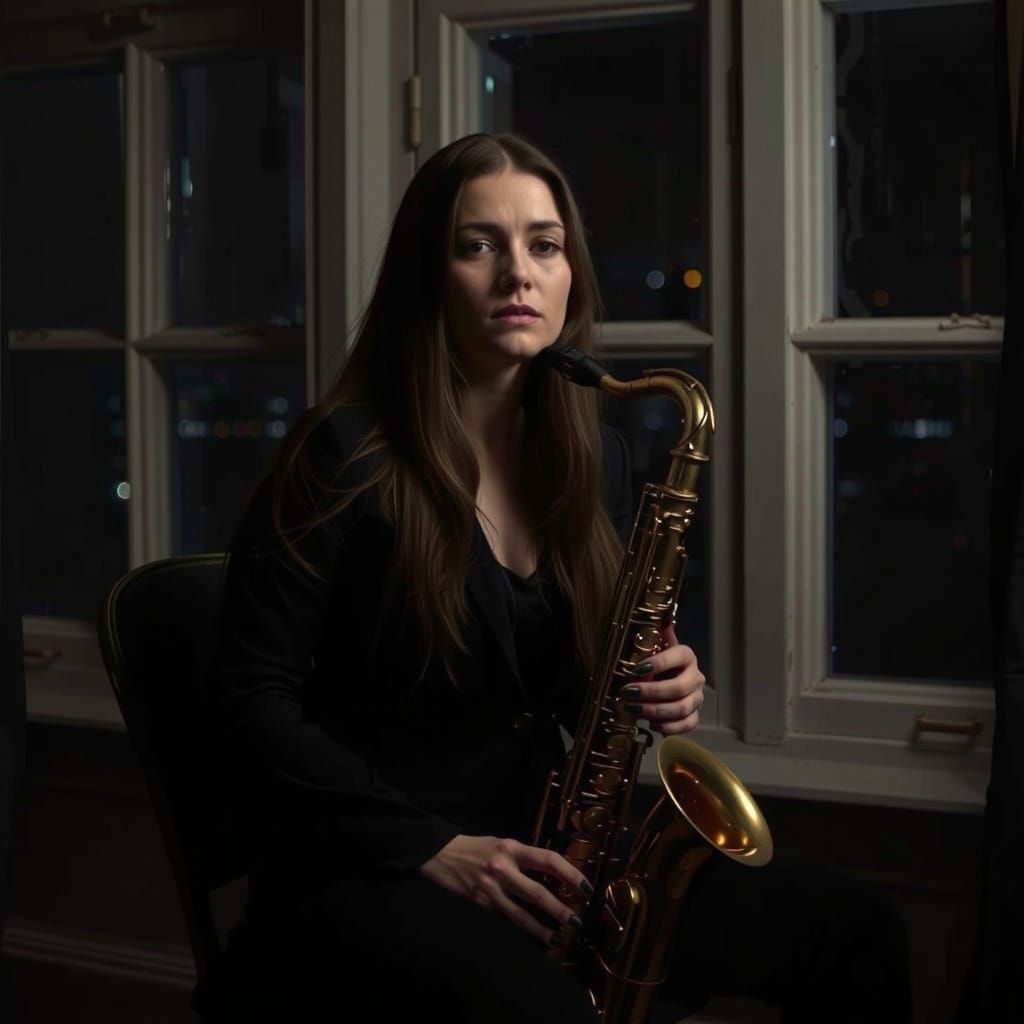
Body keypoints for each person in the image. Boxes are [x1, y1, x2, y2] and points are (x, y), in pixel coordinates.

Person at [206, 133, 911, 1023]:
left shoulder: (595, 459)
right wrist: (434, 846)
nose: (518, 274)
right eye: (478, 244)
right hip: (373, 869)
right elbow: (247, 705)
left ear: (571, 271)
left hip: (546, 858)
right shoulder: (341, 457)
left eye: (544, 244)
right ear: (429, 275)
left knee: (856, 931)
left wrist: (654, 685)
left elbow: (576, 697)